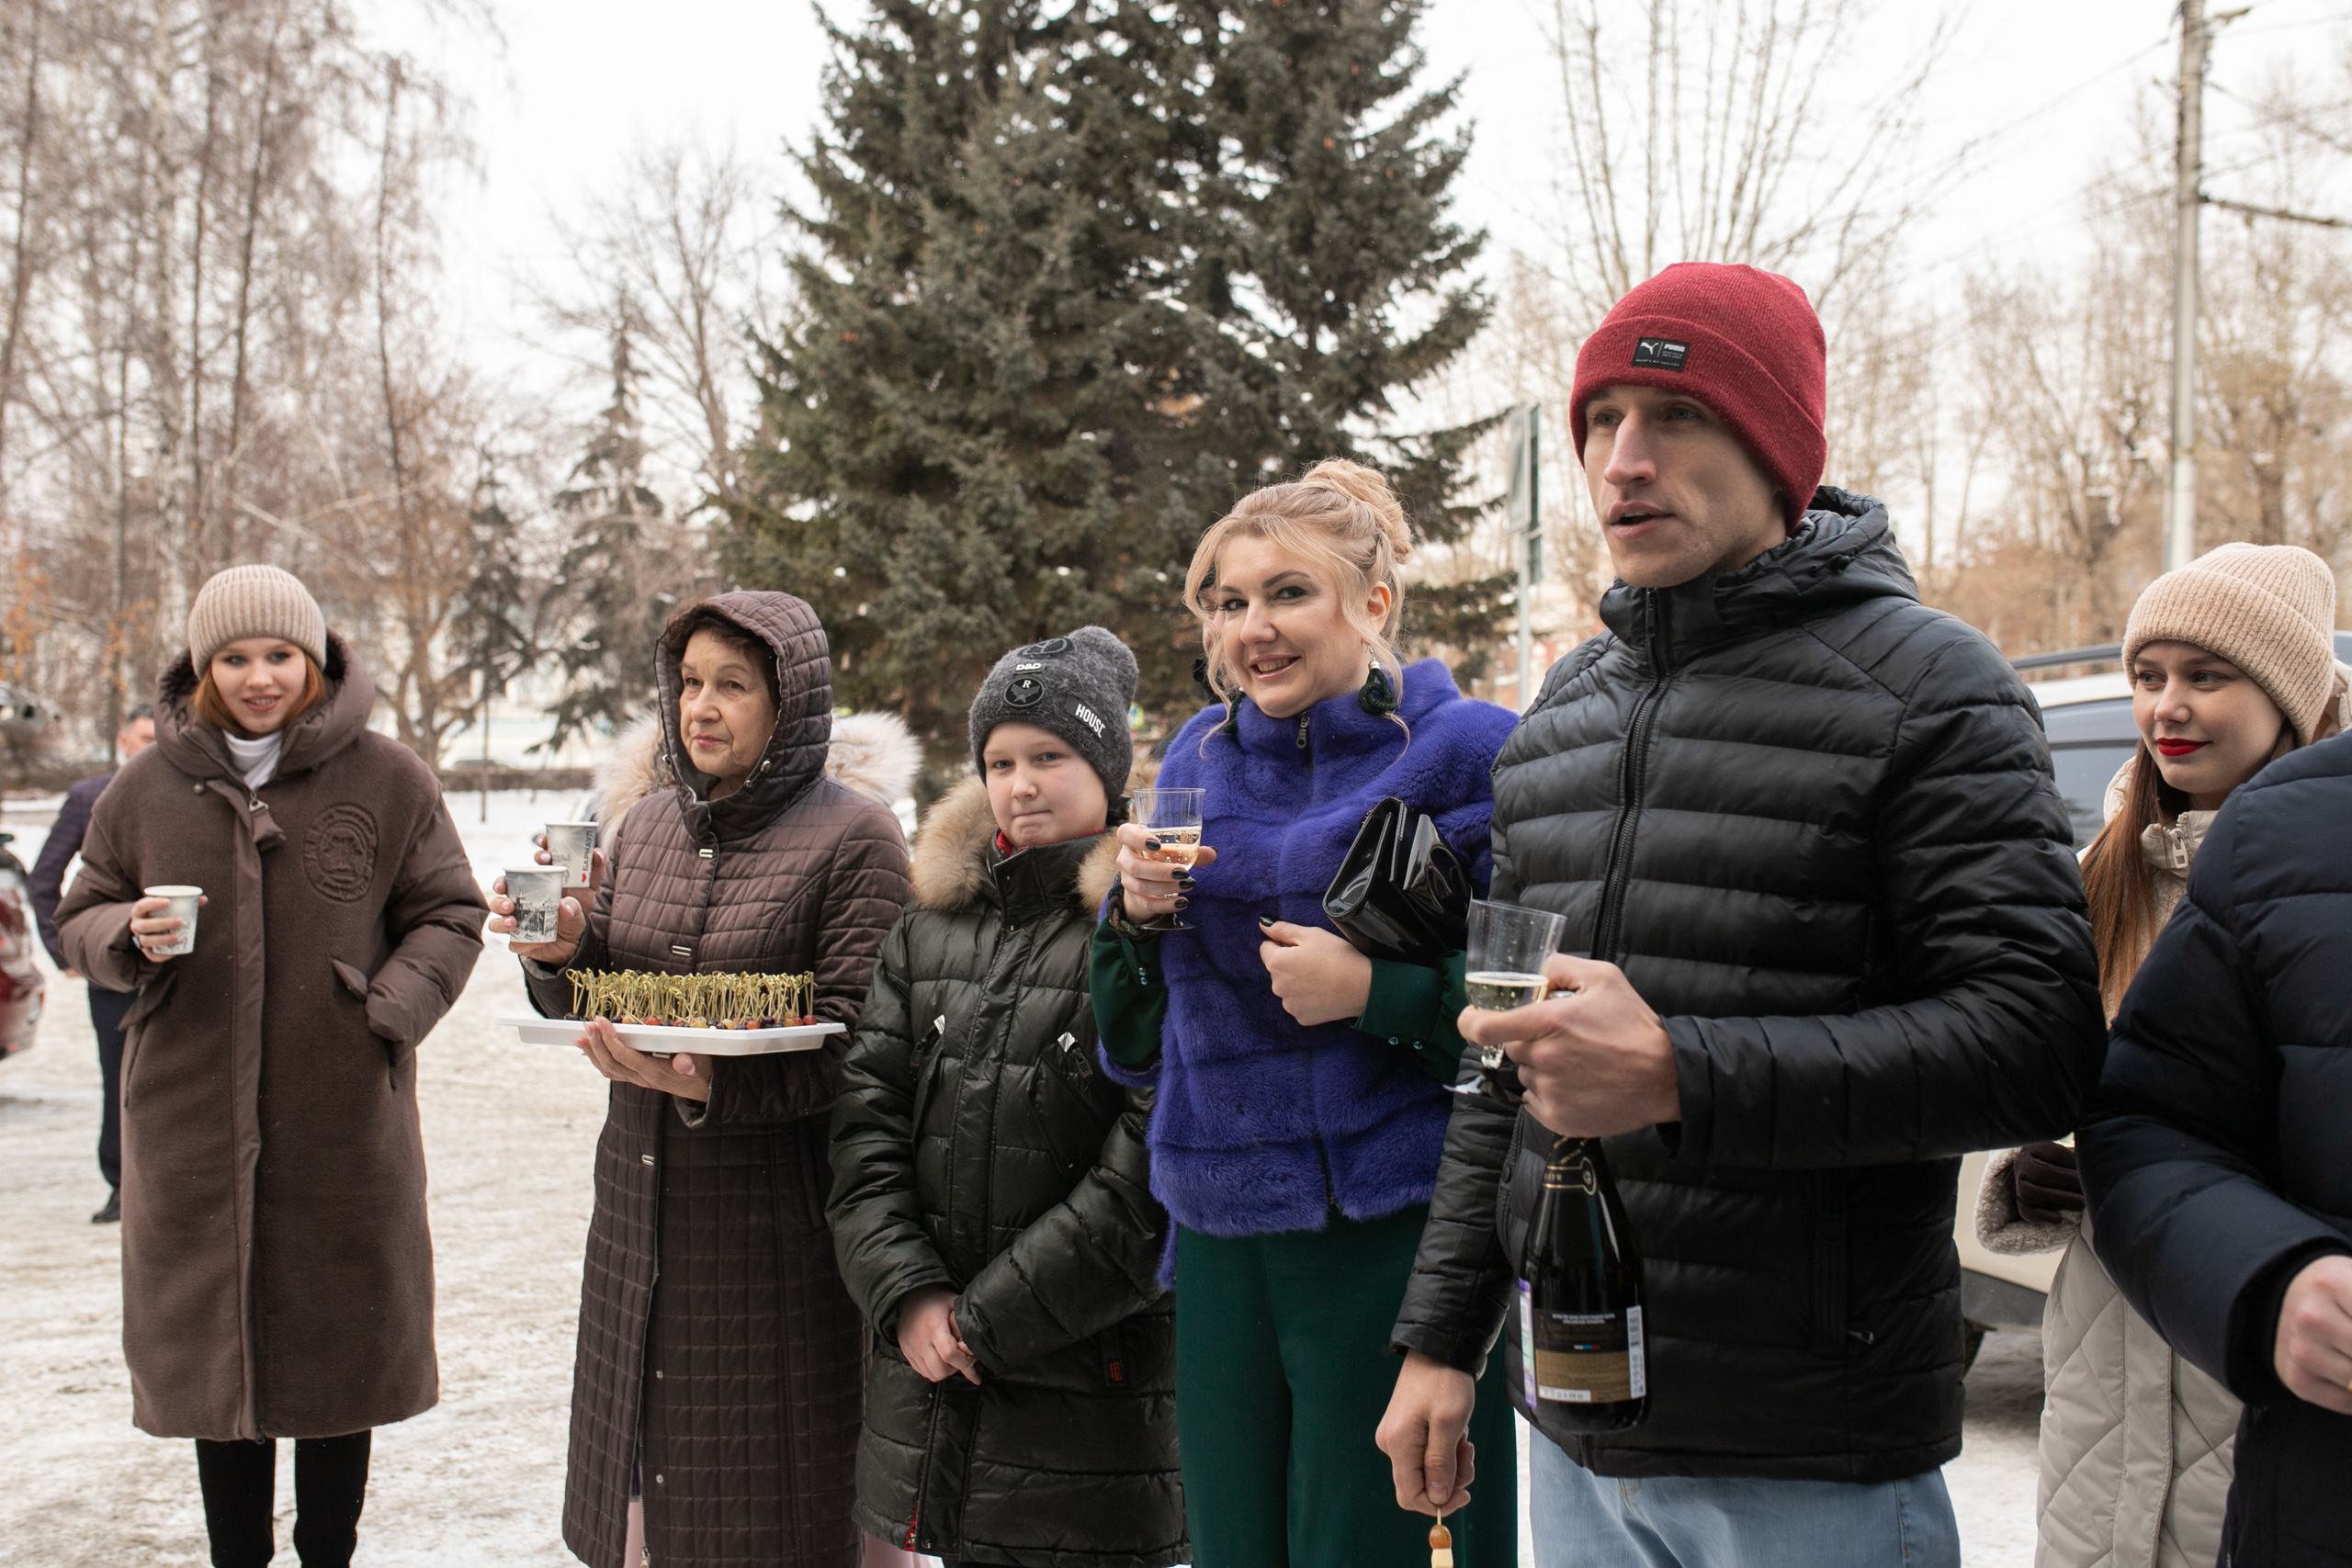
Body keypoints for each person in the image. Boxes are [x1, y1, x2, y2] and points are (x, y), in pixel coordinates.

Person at [1374, 263, 2106, 1568]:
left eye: (1678, 415)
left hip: (1805, 1451)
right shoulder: (1560, 716)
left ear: (1776, 449)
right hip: (1575, 1431)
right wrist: (1442, 1337)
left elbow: (2035, 1042)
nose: (1624, 459)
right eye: (1601, 420)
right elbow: (1503, 1066)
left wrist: (1680, 1072)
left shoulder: (1934, 687)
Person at [1087, 459, 1521, 1566]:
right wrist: (1131, 921)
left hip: (1397, 1231)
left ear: (1371, 602)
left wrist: (1376, 992)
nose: (1252, 630)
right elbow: (1130, 1048)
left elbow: (1529, 1017)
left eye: (1288, 593)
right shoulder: (1196, 759)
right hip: (1222, 1235)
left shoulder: (1469, 752)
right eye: (1228, 602)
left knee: (1383, 1546)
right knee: (1236, 1548)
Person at [54, 564, 486, 1568]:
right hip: (189, 1125)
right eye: (235, 657)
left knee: (339, 1355)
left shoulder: (388, 777)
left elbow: (449, 912)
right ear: (203, 667)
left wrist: (390, 1008)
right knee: (219, 1364)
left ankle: (330, 1552)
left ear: (315, 658)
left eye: (280, 655)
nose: (260, 677)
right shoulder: (145, 788)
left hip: (341, 1119)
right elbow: (79, 914)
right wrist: (124, 932)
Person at [492, 591, 913, 1568]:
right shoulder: (644, 828)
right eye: (688, 683)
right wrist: (558, 953)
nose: (701, 707)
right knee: (647, 1495)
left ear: (791, 702)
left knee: (774, 1510)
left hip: (775, 1238)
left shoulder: (857, 836)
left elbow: (866, 1048)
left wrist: (706, 1088)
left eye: (733, 685)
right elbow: (603, 991)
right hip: (635, 1220)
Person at [1973, 544, 2347, 1568]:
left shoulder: (2323, 885)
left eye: (2206, 676)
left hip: (2258, 1352)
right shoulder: (2096, 873)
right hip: (2102, 1355)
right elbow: (2073, 1084)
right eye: (2147, 676)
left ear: (2289, 695)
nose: (2165, 707)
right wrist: (2036, 1165)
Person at [829, 627, 1183, 1568]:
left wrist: (985, 1322)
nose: (1021, 784)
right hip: (939, 1386)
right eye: (1000, 762)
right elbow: (866, 1124)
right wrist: (909, 1294)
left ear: (1107, 767)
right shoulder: (929, 927)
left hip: (1094, 1405)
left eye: (1050, 756)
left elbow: (1150, 1165)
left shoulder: (1146, 928)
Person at [28, 702, 156, 1224]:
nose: (153, 748)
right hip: (112, 967)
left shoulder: (194, 792)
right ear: (124, 741)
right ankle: (122, 1185)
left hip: (182, 966)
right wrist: (67, 952)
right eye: (145, 738)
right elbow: (44, 880)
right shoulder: (89, 797)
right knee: (120, 1078)